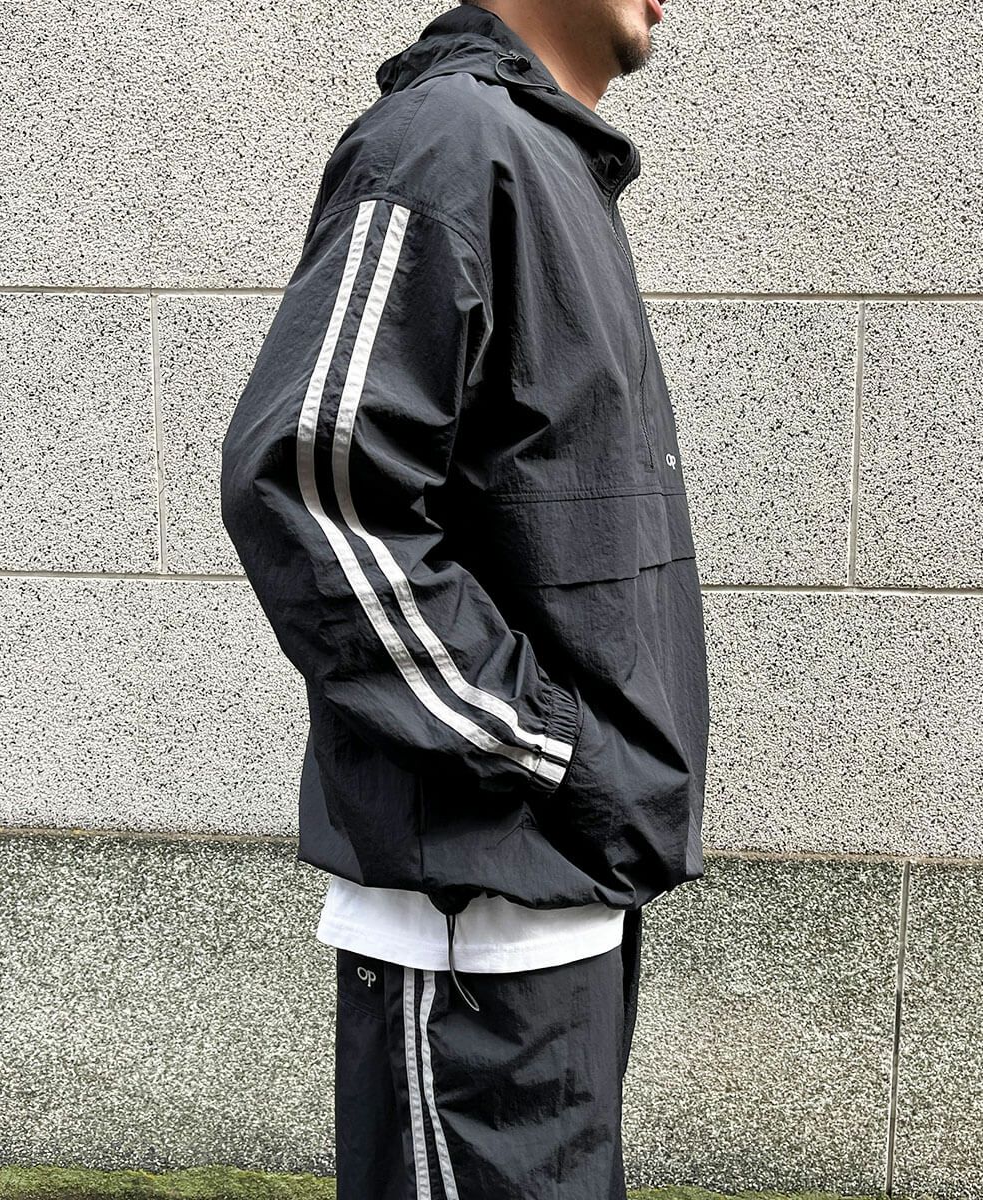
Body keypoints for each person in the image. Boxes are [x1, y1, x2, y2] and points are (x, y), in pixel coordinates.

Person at [219, 0, 709, 1196]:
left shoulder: (546, 164)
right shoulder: (443, 145)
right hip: (471, 932)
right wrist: (551, 750)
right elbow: (312, 489)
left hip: (560, 903)